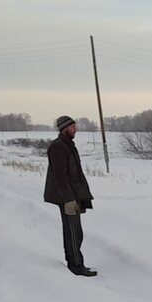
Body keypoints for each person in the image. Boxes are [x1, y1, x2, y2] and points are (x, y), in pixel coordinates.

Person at [44, 115, 97, 276]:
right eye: (73, 127)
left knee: (76, 231)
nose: (76, 129)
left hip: (74, 195)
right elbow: (60, 176)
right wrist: (69, 199)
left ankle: (76, 262)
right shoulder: (58, 147)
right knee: (73, 232)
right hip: (67, 197)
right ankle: (75, 266)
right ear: (64, 128)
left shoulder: (67, 145)